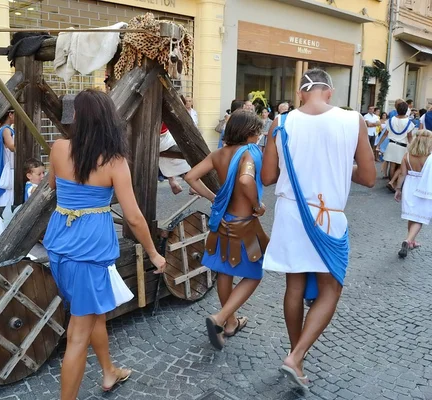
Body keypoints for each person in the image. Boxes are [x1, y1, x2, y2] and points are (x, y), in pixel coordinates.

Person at [43, 89, 166, 400]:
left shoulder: (58, 147)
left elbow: (52, 185)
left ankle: (109, 371)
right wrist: (154, 253)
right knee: (77, 334)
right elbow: (134, 217)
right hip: (88, 251)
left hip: (59, 245)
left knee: (91, 312)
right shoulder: (114, 161)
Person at [261, 69, 375, 389]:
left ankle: (296, 356)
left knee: (294, 287)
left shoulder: (281, 123)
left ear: (300, 93)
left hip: (290, 213)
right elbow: (368, 177)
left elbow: (268, 177)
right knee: (330, 289)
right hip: (328, 216)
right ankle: (295, 358)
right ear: (330, 92)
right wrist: (338, 164)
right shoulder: (353, 120)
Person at [185, 110, 269, 350]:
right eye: (258, 131)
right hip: (244, 224)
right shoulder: (250, 153)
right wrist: (257, 205)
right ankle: (221, 318)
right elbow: (245, 180)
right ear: (250, 133)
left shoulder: (218, 154)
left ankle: (231, 322)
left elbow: (190, 176)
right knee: (254, 275)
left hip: (223, 221)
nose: (260, 135)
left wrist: (214, 198)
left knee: (225, 271)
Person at [393, 130, 432, 258]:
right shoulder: (429, 157)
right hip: (424, 187)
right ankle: (408, 240)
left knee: (411, 215)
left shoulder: (407, 155)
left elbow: (402, 174)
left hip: (409, 186)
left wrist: (398, 189)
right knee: (419, 218)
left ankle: (412, 240)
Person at [377, 102, 415, 192]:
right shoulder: (409, 122)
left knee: (392, 165)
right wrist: (412, 146)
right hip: (402, 146)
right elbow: (409, 136)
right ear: (406, 110)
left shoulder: (391, 120)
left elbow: (385, 134)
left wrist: (379, 144)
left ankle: (391, 182)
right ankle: (393, 183)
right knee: (401, 166)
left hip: (391, 145)